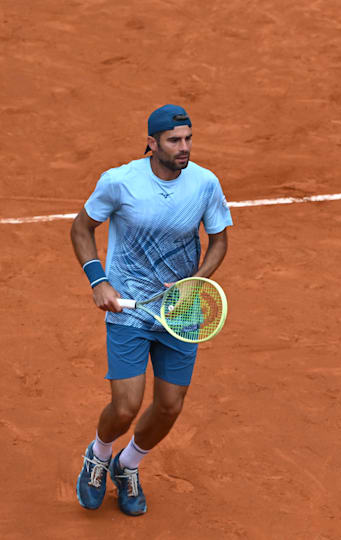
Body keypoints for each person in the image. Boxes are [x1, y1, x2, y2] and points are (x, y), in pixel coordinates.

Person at [70, 104, 233, 516]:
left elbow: (219, 240)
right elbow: (81, 227)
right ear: (152, 143)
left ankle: (127, 465)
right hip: (130, 309)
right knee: (125, 406)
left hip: (181, 312)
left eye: (188, 138)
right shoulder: (120, 182)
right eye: (174, 140)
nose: (184, 147)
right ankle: (99, 454)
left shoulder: (205, 184)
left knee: (169, 406)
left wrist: (196, 281)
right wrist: (98, 281)